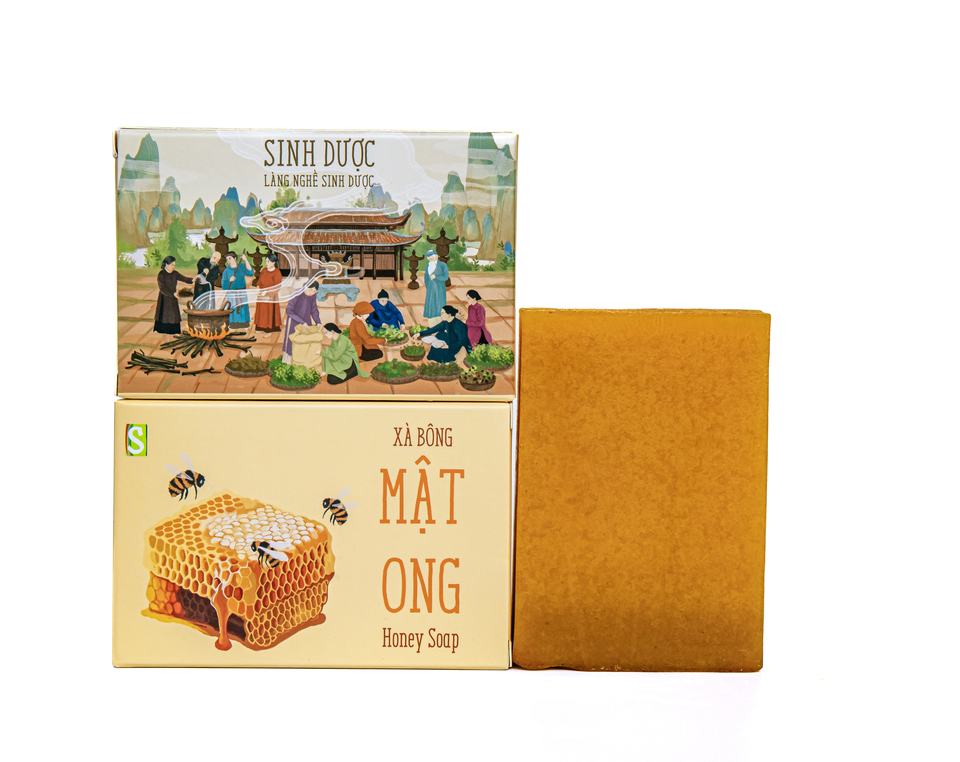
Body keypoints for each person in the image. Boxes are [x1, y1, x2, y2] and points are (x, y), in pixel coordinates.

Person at [281, 281, 321, 362]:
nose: (312, 293)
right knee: (291, 341)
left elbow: (314, 309)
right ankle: (287, 361)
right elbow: (289, 311)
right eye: (311, 290)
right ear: (306, 287)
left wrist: (318, 322)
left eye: (315, 291)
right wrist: (301, 322)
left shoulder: (312, 295)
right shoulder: (296, 293)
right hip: (294, 321)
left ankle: (301, 360)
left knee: (304, 340)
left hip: (306, 321)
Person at [154, 256, 193, 334]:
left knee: (174, 315)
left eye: (174, 265)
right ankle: (162, 330)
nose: (173, 267)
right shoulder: (161, 274)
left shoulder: (175, 273)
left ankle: (174, 331)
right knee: (164, 314)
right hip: (164, 298)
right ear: (166, 264)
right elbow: (162, 288)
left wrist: (193, 280)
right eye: (172, 265)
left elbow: (184, 278)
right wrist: (173, 294)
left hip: (173, 297)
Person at [221, 252, 254, 327]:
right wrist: (230, 281)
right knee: (233, 308)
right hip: (232, 293)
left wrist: (245, 260)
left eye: (230, 258)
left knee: (243, 308)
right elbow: (224, 285)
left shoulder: (241, 266)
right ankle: (233, 323)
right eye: (227, 259)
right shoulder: (226, 271)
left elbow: (250, 272)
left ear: (235, 258)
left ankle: (244, 323)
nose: (228, 261)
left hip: (242, 292)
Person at [254, 253, 283, 332]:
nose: (266, 263)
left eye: (268, 261)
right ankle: (260, 326)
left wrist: (267, 292)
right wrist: (258, 288)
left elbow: (277, 287)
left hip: (271, 296)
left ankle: (269, 327)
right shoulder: (264, 270)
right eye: (266, 261)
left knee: (269, 311)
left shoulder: (277, 272)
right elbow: (259, 281)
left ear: (273, 262)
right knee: (262, 311)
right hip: (262, 294)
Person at [422, 249, 449, 325]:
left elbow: (446, 277)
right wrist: (428, 286)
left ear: (437, 256)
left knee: (439, 301)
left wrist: (436, 277)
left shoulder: (443, 265)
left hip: (439, 287)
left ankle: (440, 317)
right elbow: (426, 277)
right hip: (430, 287)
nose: (431, 257)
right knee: (430, 301)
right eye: (429, 256)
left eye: (433, 256)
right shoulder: (428, 265)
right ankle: (430, 315)